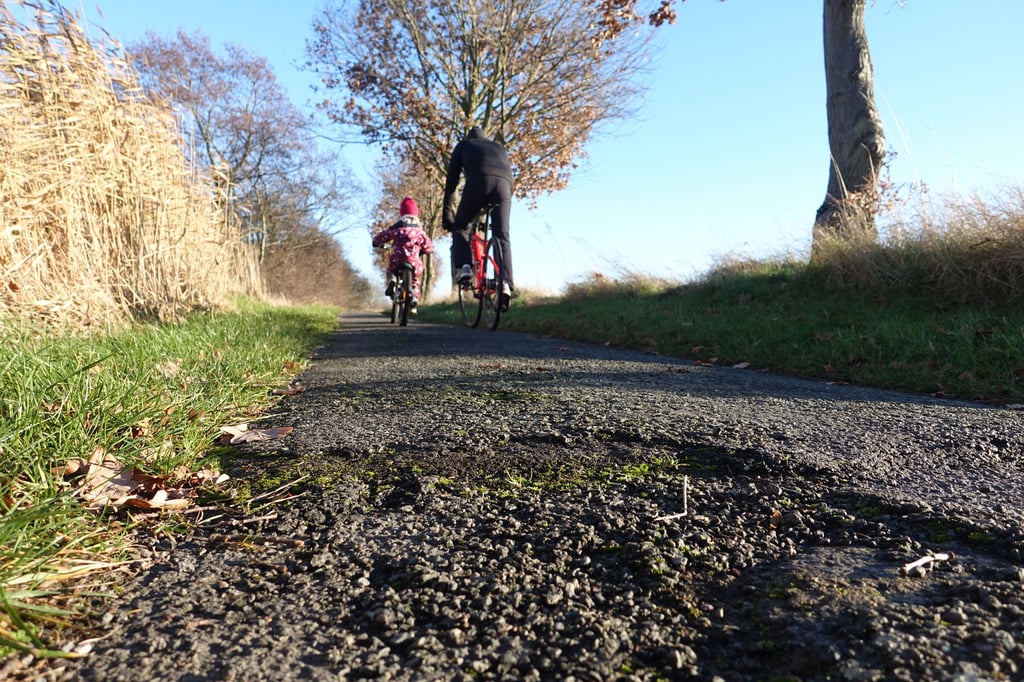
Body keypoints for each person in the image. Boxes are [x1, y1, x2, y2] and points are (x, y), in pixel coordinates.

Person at [443, 126, 514, 312]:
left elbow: (451, 183)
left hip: (478, 181)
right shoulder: (499, 148)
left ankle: (465, 267)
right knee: (502, 236)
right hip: (504, 187)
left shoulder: (463, 145)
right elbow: (509, 175)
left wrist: (447, 216)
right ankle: (505, 283)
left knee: (460, 226)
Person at [372, 196, 434, 314]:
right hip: (414, 261)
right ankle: (414, 300)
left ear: (402, 213)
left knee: (391, 270)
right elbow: (429, 246)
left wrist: (376, 242)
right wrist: (426, 250)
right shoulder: (420, 232)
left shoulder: (397, 229)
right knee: (415, 281)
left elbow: (383, 236)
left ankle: (393, 280)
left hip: (398, 258)